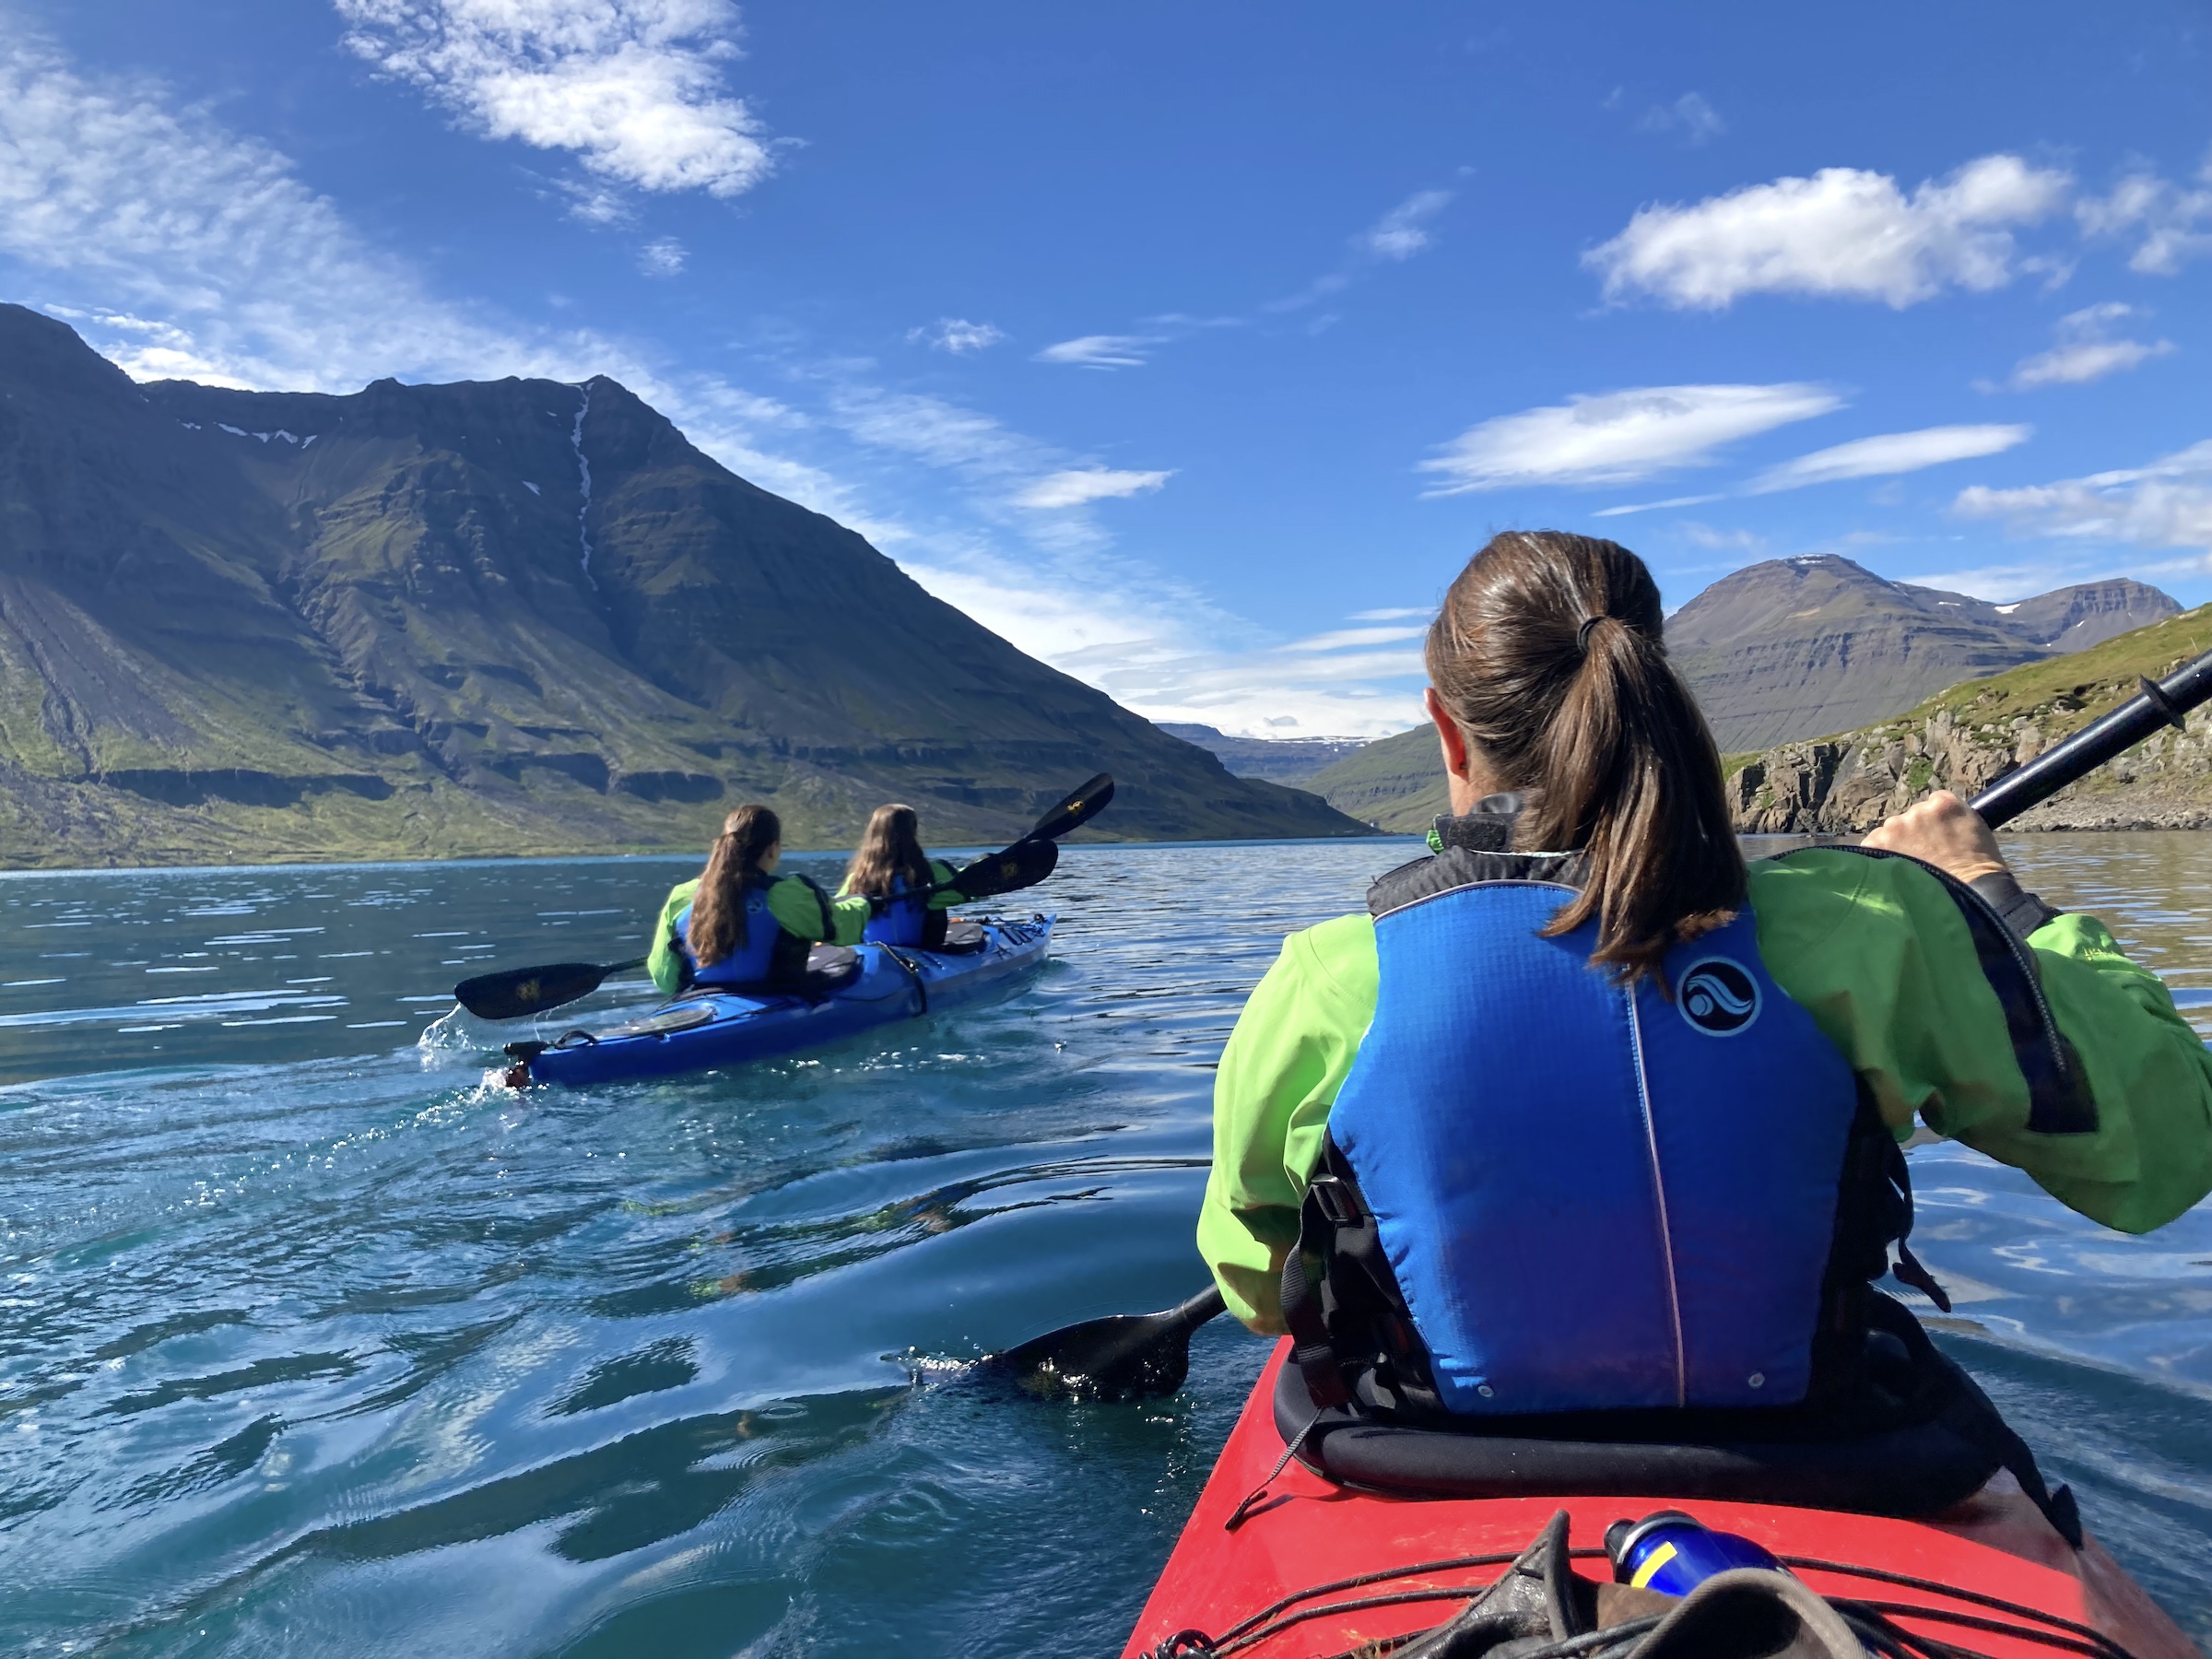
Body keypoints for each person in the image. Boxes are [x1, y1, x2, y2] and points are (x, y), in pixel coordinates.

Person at [1199, 530, 2210, 1650]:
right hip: (1827, 1444)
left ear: (1446, 724)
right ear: (1656, 681)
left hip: (1422, 1455)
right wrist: (1987, 901)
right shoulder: (1878, 927)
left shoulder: (1329, 980)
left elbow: (1257, 1289)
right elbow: (2162, 1158)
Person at [646, 805, 869, 996]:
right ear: (772, 849)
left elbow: (664, 979)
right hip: (774, 999)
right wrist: (864, 903)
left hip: (703, 999)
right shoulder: (786, 895)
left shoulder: (682, 896)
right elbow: (843, 929)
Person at [838, 803, 963, 948]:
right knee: (937, 905)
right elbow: (968, 890)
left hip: (875, 955)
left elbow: (835, 914)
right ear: (912, 832)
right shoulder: (931, 873)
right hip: (922, 951)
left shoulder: (857, 880)